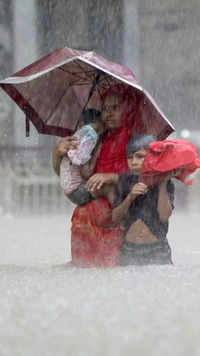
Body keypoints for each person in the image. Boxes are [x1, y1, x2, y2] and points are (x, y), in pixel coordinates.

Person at [52, 84, 145, 268]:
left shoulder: (134, 140)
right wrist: (57, 154)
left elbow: (143, 178)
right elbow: (69, 177)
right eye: (105, 108)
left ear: (127, 109)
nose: (108, 113)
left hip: (114, 221)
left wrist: (112, 177)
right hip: (85, 220)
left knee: (109, 276)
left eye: (115, 108)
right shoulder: (94, 139)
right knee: (82, 278)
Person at [112, 134, 175, 266]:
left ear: (152, 157)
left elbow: (164, 217)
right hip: (130, 249)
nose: (134, 161)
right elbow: (115, 218)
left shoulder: (165, 181)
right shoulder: (124, 181)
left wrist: (162, 184)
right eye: (130, 157)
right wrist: (130, 197)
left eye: (140, 156)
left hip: (157, 249)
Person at [60, 109, 105, 205]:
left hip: (70, 190)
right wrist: (97, 151)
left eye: (100, 132)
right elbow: (86, 173)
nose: (97, 135)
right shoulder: (83, 144)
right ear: (81, 126)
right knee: (108, 188)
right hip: (78, 192)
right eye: (95, 130)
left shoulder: (75, 139)